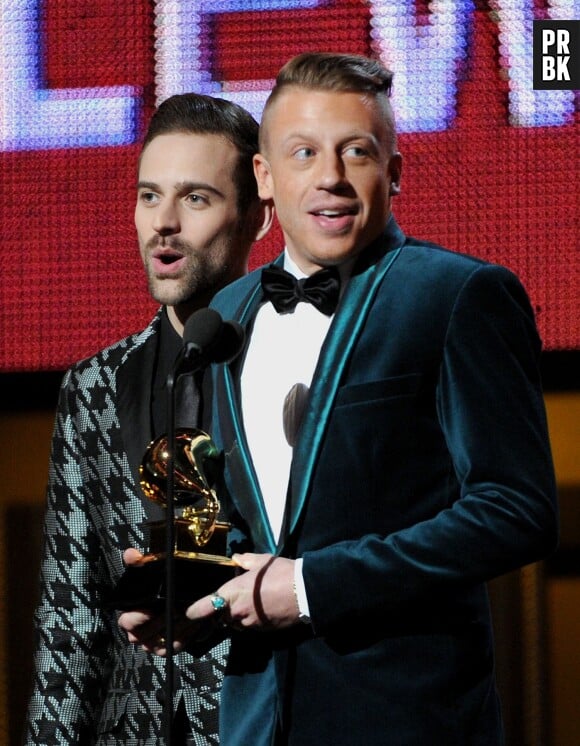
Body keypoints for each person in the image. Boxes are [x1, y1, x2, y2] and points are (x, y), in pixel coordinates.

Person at [120, 53, 558, 745]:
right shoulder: (227, 313)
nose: (330, 177)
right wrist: (191, 594)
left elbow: (517, 510)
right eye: (303, 153)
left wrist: (312, 587)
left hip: (409, 720)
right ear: (264, 177)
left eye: (356, 152)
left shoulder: (458, 296)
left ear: (395, 171)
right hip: (260, 723)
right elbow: (252, 532)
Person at [25, 92, 271, 745]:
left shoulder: (304, 367)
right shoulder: (94, 386)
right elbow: (71, 627)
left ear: (257, 216)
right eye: (148, 196)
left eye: (196, 199)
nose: (164, 222)